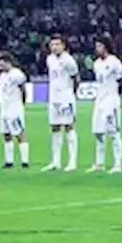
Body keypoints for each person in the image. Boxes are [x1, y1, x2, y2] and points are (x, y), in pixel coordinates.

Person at [89, 36, 122, 174]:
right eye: (96, 46)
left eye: (99, 46)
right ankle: (99, 163)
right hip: (100, 99)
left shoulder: (115, 62)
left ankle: (117, 164)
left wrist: (118, 97)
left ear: (106, 46)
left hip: (111, 99)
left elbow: (121, 81)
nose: (97, 49)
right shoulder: (96, 63)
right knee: (98, 132)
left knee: (113, 131)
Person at [44, 36, 80, 172]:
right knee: (55, 127)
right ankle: (55, 161)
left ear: (64, 46)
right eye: (52, 44)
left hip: (66, 97)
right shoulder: (50, 59)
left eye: (58, 44)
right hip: (54, 98)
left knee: (69, 126)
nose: (55, 47)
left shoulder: (69, 60)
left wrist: (71, 94)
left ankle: (72, 161)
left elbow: (76, 78)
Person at [0, 54, 31, 169]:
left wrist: (22, 103)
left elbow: (23, 89)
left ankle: (25, 161)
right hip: (4, 108)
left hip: (15, 108)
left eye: (1, 64)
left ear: (8, 62)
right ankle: (8, 161)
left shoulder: (17, 74)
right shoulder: (2, 76)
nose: (0, 67)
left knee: (19, 133)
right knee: (6, 134)